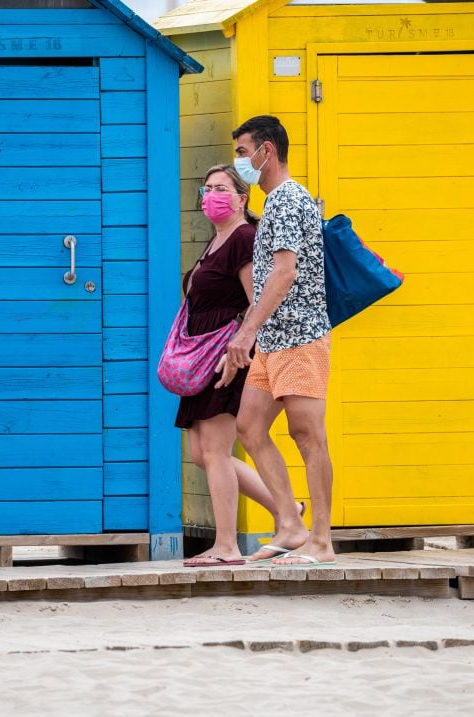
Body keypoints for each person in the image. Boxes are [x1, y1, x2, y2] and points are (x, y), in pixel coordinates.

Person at [219, 115, 336, 566]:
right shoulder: (275, 204)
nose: (240, 161)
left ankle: (322, 541)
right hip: (273, 338)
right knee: (249, 426)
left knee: (308, 436)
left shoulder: (288, 200)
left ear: (267, 150)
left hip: (300, 335)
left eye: (244, 152)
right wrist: (255, 332)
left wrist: (246, 331)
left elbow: (284, 274)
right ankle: (290, 523)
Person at [178, 164, 294, 568]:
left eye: (221, 188)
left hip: (228, 356)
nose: (211, 194)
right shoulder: (216, 241)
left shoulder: (244, 238)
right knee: (202, 452)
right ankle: (286, 510)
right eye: (207, 187)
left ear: (242, 198)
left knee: (215, 450)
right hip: (203, 355)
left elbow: (255, 299)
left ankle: (227, 545)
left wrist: (241, 344)